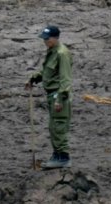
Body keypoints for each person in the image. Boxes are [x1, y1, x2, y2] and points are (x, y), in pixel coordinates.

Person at [27, 25, 73, 169]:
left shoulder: (62, 53)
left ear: (55, 38)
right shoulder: (52, 51)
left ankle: (63, 158)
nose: (45, 41)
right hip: (52, 95)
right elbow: (47, 72)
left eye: (47, 39)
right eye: (44, 39)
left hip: (59, 97)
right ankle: (57, 155)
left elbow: (65, 80)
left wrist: (60, 99)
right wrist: (34, 78)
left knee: (59, 127)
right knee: (53, 127)